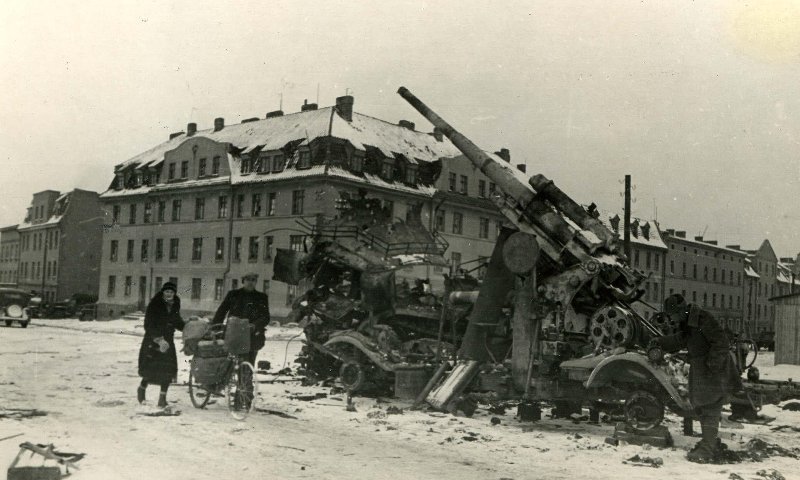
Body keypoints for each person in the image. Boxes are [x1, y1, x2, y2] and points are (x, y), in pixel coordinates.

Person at [649, 293, 741, 463]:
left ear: (681, 311)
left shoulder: (703, 319)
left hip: (714, 370)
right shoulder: (689, 323)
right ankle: (709, 442)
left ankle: (707, 449)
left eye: (672, 316)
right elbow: (680, 340)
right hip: (704, 369)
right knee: (702, 407)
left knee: (711, 408)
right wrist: (660, 342)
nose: (672, 321)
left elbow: (721, 342)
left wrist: (712, 367)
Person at [212, 272, 270, 407]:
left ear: (256, 282)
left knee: (248, 366)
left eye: (254, 280)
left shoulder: (261, 297)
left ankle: (244, 397)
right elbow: (221, 311)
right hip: (235, 335)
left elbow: (266, 317)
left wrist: (255, 325)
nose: (251, 282)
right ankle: (240, 395)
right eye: (248, 280)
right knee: (235, 365)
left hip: (253, 337)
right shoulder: (233, 295)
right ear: (242, 281)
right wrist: (215, 327)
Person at [137, 282, 184, 408]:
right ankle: (141, 389)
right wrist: (158, 339)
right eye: (167, 291)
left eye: (172, 292)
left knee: (168, 370)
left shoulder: (175, 304)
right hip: (154, 340)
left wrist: (188, 327)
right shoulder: (155, 304)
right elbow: (149, 324)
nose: (169, 294)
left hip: (168, 341)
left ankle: (162, 399)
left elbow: (176, 320)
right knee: (151, 370)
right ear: (163, 292)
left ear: (174, 293)